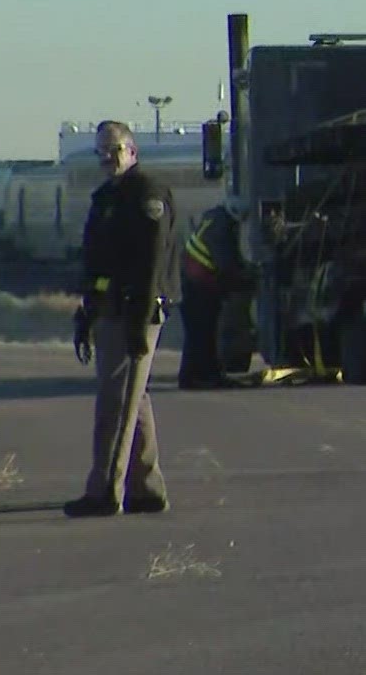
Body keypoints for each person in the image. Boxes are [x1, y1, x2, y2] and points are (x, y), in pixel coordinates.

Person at [64, 120, 179, 518]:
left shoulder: (147, 195)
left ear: (132, 151)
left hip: (135, 310)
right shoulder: (105, 198)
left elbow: (151, 263)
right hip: (109, 309)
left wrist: (138, 322)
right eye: (101, 151)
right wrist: (86, 313)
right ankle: (146, 488)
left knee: (115, 401)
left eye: (115, 149)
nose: (107, 158)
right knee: (134, 397)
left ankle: (104, 491)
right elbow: (95, 263)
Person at [177, 200, 249, 389]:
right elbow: (226, 265)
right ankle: (197, 377)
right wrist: (246, 279)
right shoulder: (222, 228)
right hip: (198, 286)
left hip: (193, 284)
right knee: (202, 334)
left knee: (200, 334)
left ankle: (202, 375)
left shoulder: (213, 217)